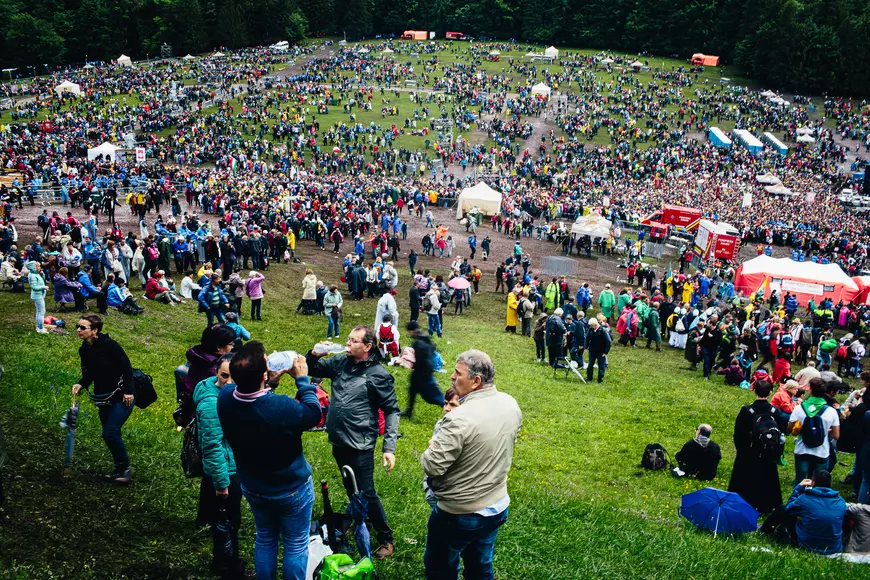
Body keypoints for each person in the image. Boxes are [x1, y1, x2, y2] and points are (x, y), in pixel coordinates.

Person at [217, 342, 322, 579]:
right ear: (264, 374)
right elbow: (313, 415)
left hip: (254, 485)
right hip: (291, 487)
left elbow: (254, 399)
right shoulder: (282, 407)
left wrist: (269, 383)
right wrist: (303, 380)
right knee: (295, 543)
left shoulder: (225, 398)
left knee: (265, 537)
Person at [421, 350, 522, 580]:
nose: (452, 377)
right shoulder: (510, 404)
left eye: (458, 373)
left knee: (440, 569)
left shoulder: (459, 418)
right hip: (496, 504)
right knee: (480, 567)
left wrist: (432, 446)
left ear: (476, 381)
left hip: (459, 512)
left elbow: (432, 466)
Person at [307, 326, 400, 559]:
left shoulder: (379, 374)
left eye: (353, 341)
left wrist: (389, 448)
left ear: (367, 347)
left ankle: (386, 538)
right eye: (347, 339)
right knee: (350, 485)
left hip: (361, 442)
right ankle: (362, 519)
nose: (347, 344)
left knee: (366, 491)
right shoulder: (340, 363)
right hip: (339, 439)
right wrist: (315, 354)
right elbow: (312, 368)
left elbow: (391, 411)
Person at [193, 353, 248, 579]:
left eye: (234, 377)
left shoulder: (228, 395)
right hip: (226, 469)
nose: (229, 382)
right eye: (224, 376)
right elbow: (213, 445)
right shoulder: (211, 403)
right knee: (228, 521)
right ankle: (227, 566)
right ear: (216, 373)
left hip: (228, 466)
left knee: (222, 517)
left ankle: (225, 560)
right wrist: (222, 482)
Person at [71, 315, 135, 483]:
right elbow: (89, 372)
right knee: (110, 433)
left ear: (95, 330)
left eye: (83, 328)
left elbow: (127, 367)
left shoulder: (110, 346)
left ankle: (125, 469)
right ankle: (120, 467)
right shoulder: (84, 349)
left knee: (110, 433)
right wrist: (81, 384)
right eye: (78, 326)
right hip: (104, 397)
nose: (78, 330)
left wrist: (128, 391)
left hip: (122, 396)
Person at [760, 469, 847, 555]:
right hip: (833, 548)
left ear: (813, 483)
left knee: (782, 509)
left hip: (807, 545)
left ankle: (763, 530)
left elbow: (788, 509)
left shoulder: (805, 499)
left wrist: (799, 487)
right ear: (830, 484)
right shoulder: (840, 501)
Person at [727, 380, 782, 514]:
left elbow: (738, 433)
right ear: (770, 392)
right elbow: (780, 432)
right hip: (768, 452)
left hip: (749, 452)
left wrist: (742, 450)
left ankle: (743, 503)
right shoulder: (775, 411)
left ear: (754, 390)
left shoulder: (746, 411)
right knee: (767, 477)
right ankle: (767, 505)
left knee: (745, 478)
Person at [788, 378, 841, 485]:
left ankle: (799, 500)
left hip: (802, 449)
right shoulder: (831, 411)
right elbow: (836, 435)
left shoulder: (799, 408)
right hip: (822, 451)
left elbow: (789, 429)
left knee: (801, 480)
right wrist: (824, 432)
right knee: (820, 482)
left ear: (810, 390)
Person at [403, 321, 446, 419]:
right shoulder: (424, 338)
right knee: (412, 390)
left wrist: (424, 373)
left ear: (411, 331)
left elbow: (423, 360)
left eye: (409, 331)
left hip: (423, 373)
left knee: (432, 397)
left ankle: (450, 408)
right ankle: (409, 411)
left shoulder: (418, 343)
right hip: (423, 371)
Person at [585, 318, 612, 383]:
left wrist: (606, 352)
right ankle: (589, 378)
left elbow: (608, 341)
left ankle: (600, 379)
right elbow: (587, 338)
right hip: (592, 350)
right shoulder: (591, 329)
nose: (590, 327)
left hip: (601, 351)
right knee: (590, 364)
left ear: (595, 325)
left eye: (591, 326)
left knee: (601, 365)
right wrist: (586, 347)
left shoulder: (603, 330)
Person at [26, 261, 48, 334]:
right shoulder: (32, 276)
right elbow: (34, 287)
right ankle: (41, 328)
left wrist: (42, 275)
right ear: (33, 268)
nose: (40, 267)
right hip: (37, 295)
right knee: (41, 312)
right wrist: (44, 287)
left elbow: (41, 281)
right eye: (38, 266)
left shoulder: (36, 274)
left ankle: (39, 326)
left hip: (40, 295)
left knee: (39, 311)